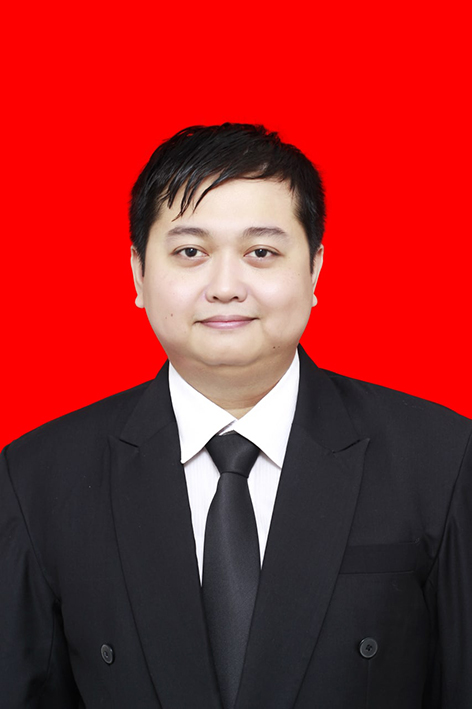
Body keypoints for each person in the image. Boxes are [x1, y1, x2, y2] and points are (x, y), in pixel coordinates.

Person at [1, 123, 471, 709]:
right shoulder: (38, 477)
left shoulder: (441, 458)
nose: (225, 287)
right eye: (190, 252)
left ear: (315, 269)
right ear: (138, 272)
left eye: (261, 253)